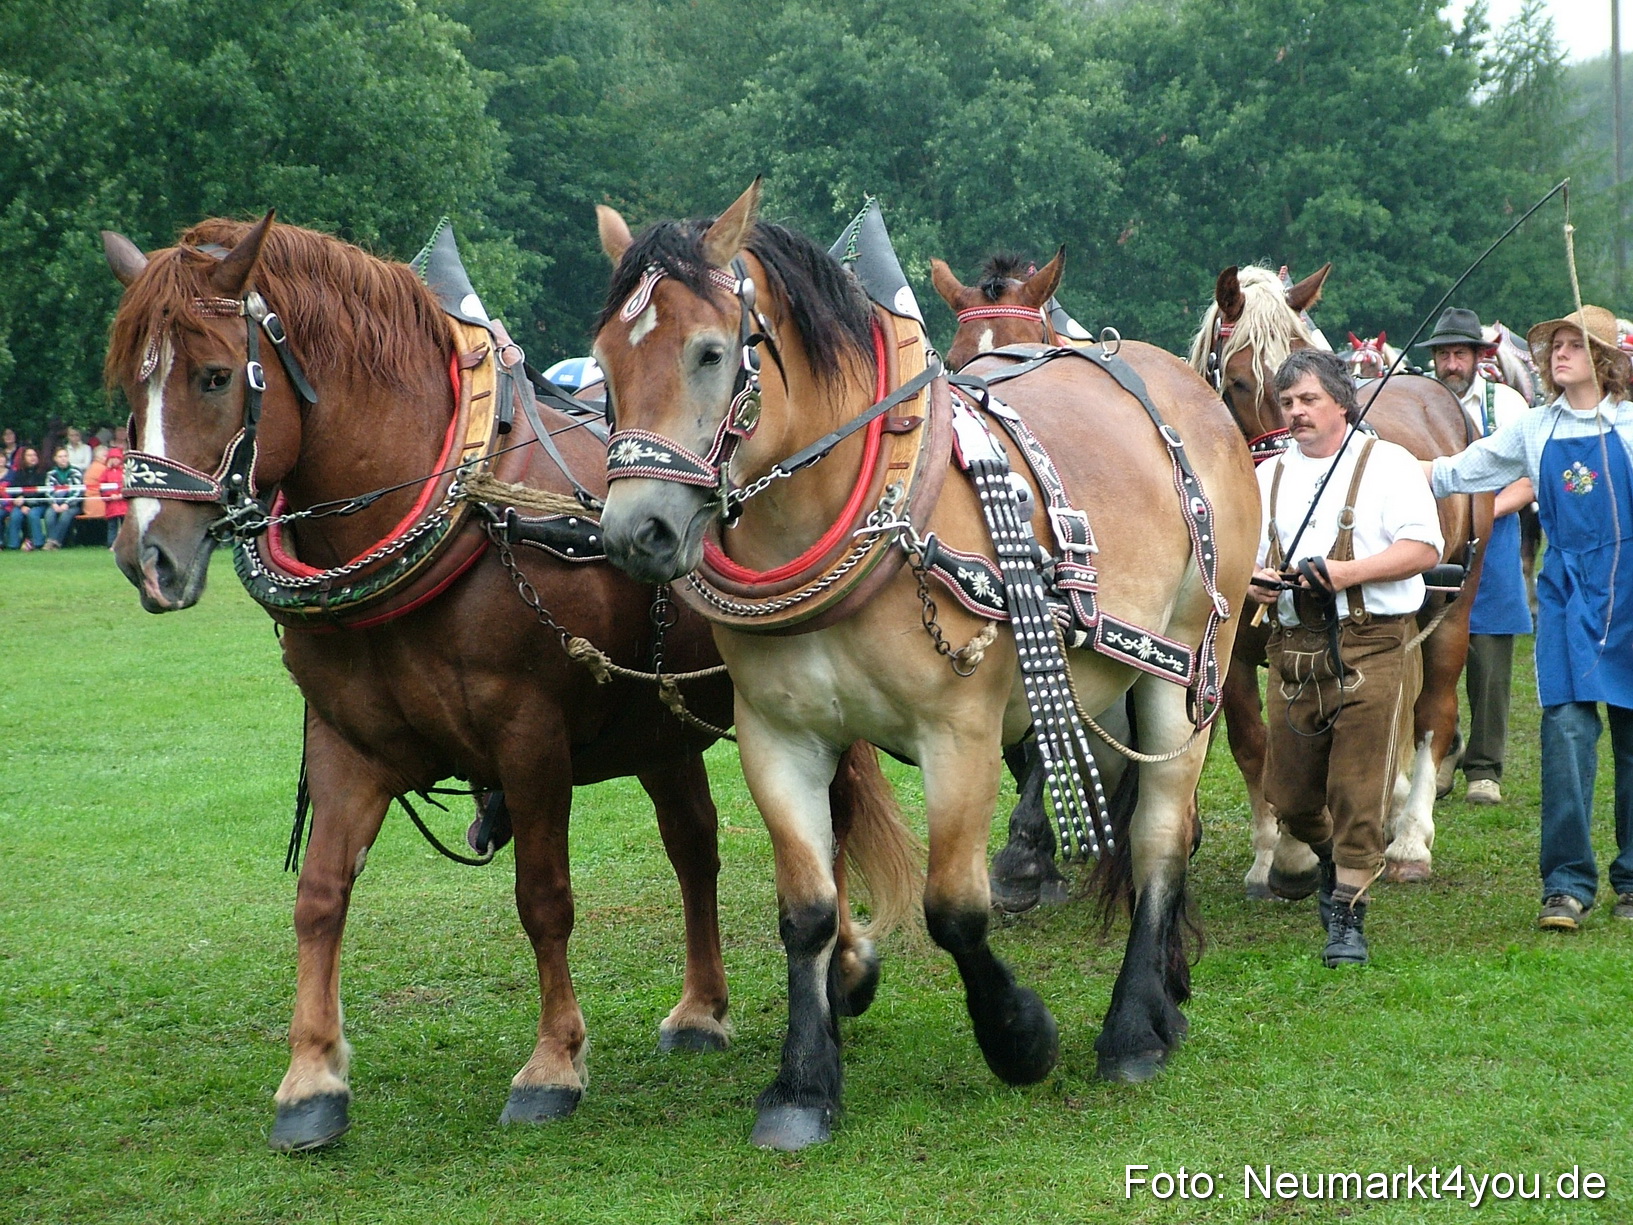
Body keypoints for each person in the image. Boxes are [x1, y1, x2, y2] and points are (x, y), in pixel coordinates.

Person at [1426, 305, 1633, 931]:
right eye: (1554, 346)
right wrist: (1377, 464)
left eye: (1574, 345)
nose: (1558, 355)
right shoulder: (1535, 428)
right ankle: (1566, 886)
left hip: (1630, 595)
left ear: (1603, 358)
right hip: (1568, 595)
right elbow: (1460, 471)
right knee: (1566, 736)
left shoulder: (1628, 421)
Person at [1249, 349, 1444, 966]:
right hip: (1291, 650)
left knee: (1359, 790)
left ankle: (1348, 916)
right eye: (1288, 403)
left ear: (1342, 402)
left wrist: (1346, 573)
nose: (1297, 413)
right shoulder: (1267, 477)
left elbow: (1423, 548)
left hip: (1372, 641)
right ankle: (1338, 862)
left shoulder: (1388, 465)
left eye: (1309, 400)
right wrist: (1254, 582)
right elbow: (1245, 562)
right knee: (1293, 799)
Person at [1421, 307, 1535, 804]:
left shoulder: (1506, 404)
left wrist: (1479, 513)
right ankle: (1443, 751)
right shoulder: (1420, 402)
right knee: (1430, 656)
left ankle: (1485, 767)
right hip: (1434, 542)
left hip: (1498, 541)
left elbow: (1529, 478)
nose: (1450, 364)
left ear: (1478, 357)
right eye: (1443, 354)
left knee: (1489, 659)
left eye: (1459, 354)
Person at [4, 445, 48, 550]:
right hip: (21, 506)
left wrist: (25, 500)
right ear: (24, 458)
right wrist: (21, 503)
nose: (32, 457)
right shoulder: (19, 474)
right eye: (29, 455)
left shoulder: (43, 473)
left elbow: (42, 492)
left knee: (33, 514)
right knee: (15, 515)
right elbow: (13, 490)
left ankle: (38, 543)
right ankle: (12, 545)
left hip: (39, 504)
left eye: (34, 455)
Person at [43, 445, 82, 549]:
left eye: (65, 456)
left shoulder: (75, 472)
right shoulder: (51, 474)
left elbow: (77, 491)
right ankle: (53, 542)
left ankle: (54, 542)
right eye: (60, 456)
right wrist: (54, 504)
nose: (63, 458)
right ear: (55, 459)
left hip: (72, 505)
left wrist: (66, 504)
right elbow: (48, 491)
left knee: (65, 516)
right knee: (49, 515)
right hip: (55, 503)